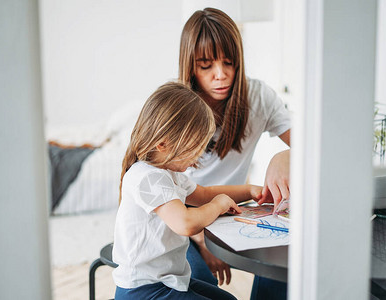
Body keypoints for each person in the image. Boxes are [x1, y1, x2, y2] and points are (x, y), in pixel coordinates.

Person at [112, 82, 266, 300]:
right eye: (193, 147)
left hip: (168, 281)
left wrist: (250, 191)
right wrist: (218, 205)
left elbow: (204, 193)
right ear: (163, 144)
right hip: (143, 290)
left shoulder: (168, 174)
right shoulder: (146, 177)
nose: (198, 155)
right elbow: (185, 223)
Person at [178, 7, 291, 299]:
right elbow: (167, 193)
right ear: (191, 66)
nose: (221, 75)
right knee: (201, 284)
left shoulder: (258, 97)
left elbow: (314, 145)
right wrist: (202, 240)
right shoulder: (177, 108)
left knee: (283, 266)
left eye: (229, 62)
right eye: (206, 66)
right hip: (178, 218)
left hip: (231, 209)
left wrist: (284, 157)